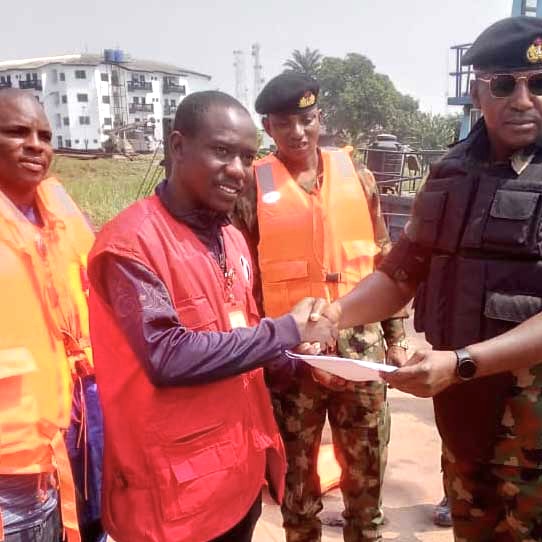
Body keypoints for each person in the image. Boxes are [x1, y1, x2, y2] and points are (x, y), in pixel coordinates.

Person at [314, 16, 542, 542]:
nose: (523, 100)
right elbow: (400, 273)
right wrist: (333, 315)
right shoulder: (450, 172)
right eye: (504, 85)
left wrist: (460, 363)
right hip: (464, 426)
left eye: (540, 83)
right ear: (477, 91)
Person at [87, 91, 336, 542]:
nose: (239, 170)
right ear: (178, 146)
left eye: (247, 156)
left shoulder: (232, 238)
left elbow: (242, 336)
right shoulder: (131, 245)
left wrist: (299, 358)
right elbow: (167, 356)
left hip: (237, 477)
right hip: (174, 500)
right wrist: (285, 330)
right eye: (222, 151)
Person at [232, 72, 408, 542]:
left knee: (366, 481)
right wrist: (259, 350)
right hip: (292, 360)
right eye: (284, 123)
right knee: (296, 486)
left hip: (361, 353)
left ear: (320, 118)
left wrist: (396, 338)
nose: (298, 132)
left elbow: (384, 261)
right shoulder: (252, 186)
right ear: (268, 127)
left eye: (307, 119)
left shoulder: (359, 176)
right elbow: (243, 278)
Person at [0, 88, 95, 542]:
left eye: (44, 135)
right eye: (17, 132)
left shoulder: (56, 208)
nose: (36, 145)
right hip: (8, 463)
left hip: (70, 423)